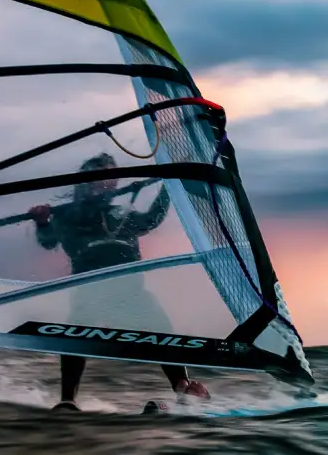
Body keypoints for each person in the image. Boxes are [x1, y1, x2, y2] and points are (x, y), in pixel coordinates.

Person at [27, 153, 210, 411]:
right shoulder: (66, 215)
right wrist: (43, 222)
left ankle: (182, 387)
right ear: (86, 180)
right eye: (103, 176)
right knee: (76, 332)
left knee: (160, 326)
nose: (110, 183)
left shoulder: (121, 211)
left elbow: (151, 220)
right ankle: (67, 400)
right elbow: (48, 242)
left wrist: (170, 188)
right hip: (90, 288)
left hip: (130, 289)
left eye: (113, 177)